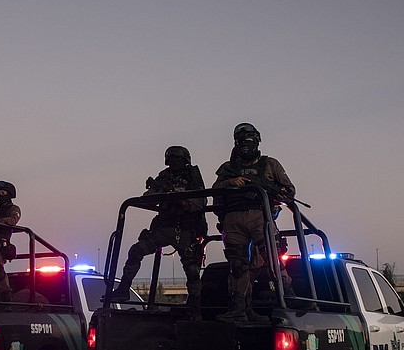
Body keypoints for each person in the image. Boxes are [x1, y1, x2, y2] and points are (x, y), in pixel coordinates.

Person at [212, 122, 296, 322]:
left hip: (260, 215)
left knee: (272, 257)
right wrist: (230, 182)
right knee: (237, 265)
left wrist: (267, 190)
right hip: (233, 218)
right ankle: (240, 308)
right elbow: (215, 191)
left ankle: (289, 297)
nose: (245, 145)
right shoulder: (228, 168)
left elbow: (289, 192)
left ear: (257, 141)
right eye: (241, 141)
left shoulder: (270, 164)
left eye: (248, 141)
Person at [111, 146, 207, 318]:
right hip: (164, 227)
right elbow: (148, 196)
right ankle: (123, 290)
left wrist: (180, 200)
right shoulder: (164, 176)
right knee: (136, 250)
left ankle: (195, 307)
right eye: (171, 158)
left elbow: (200, 201)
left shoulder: (192, 176)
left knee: (192, 271)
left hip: (186, 230)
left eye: (177, 158)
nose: (173, 161)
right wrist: (160, 193)